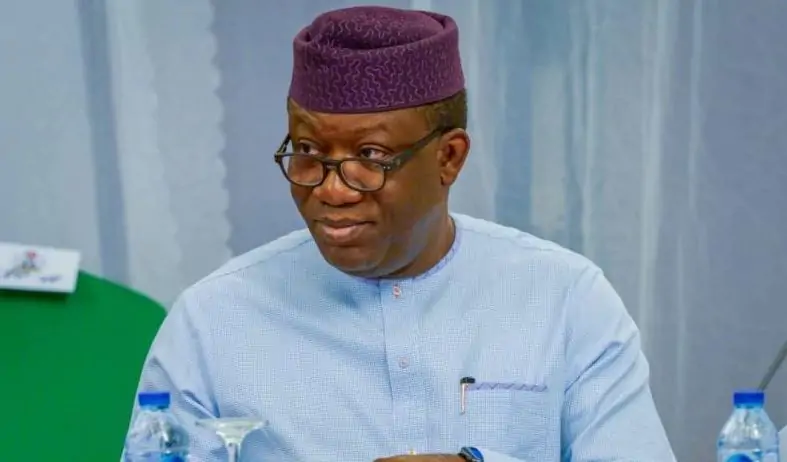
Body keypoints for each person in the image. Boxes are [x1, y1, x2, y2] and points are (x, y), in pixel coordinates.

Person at [126, 5, 676, 462]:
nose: (332, 190)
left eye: (371, 156)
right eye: (308, 151)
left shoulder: (565, 300)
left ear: (449, 158)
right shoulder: (213, 321)